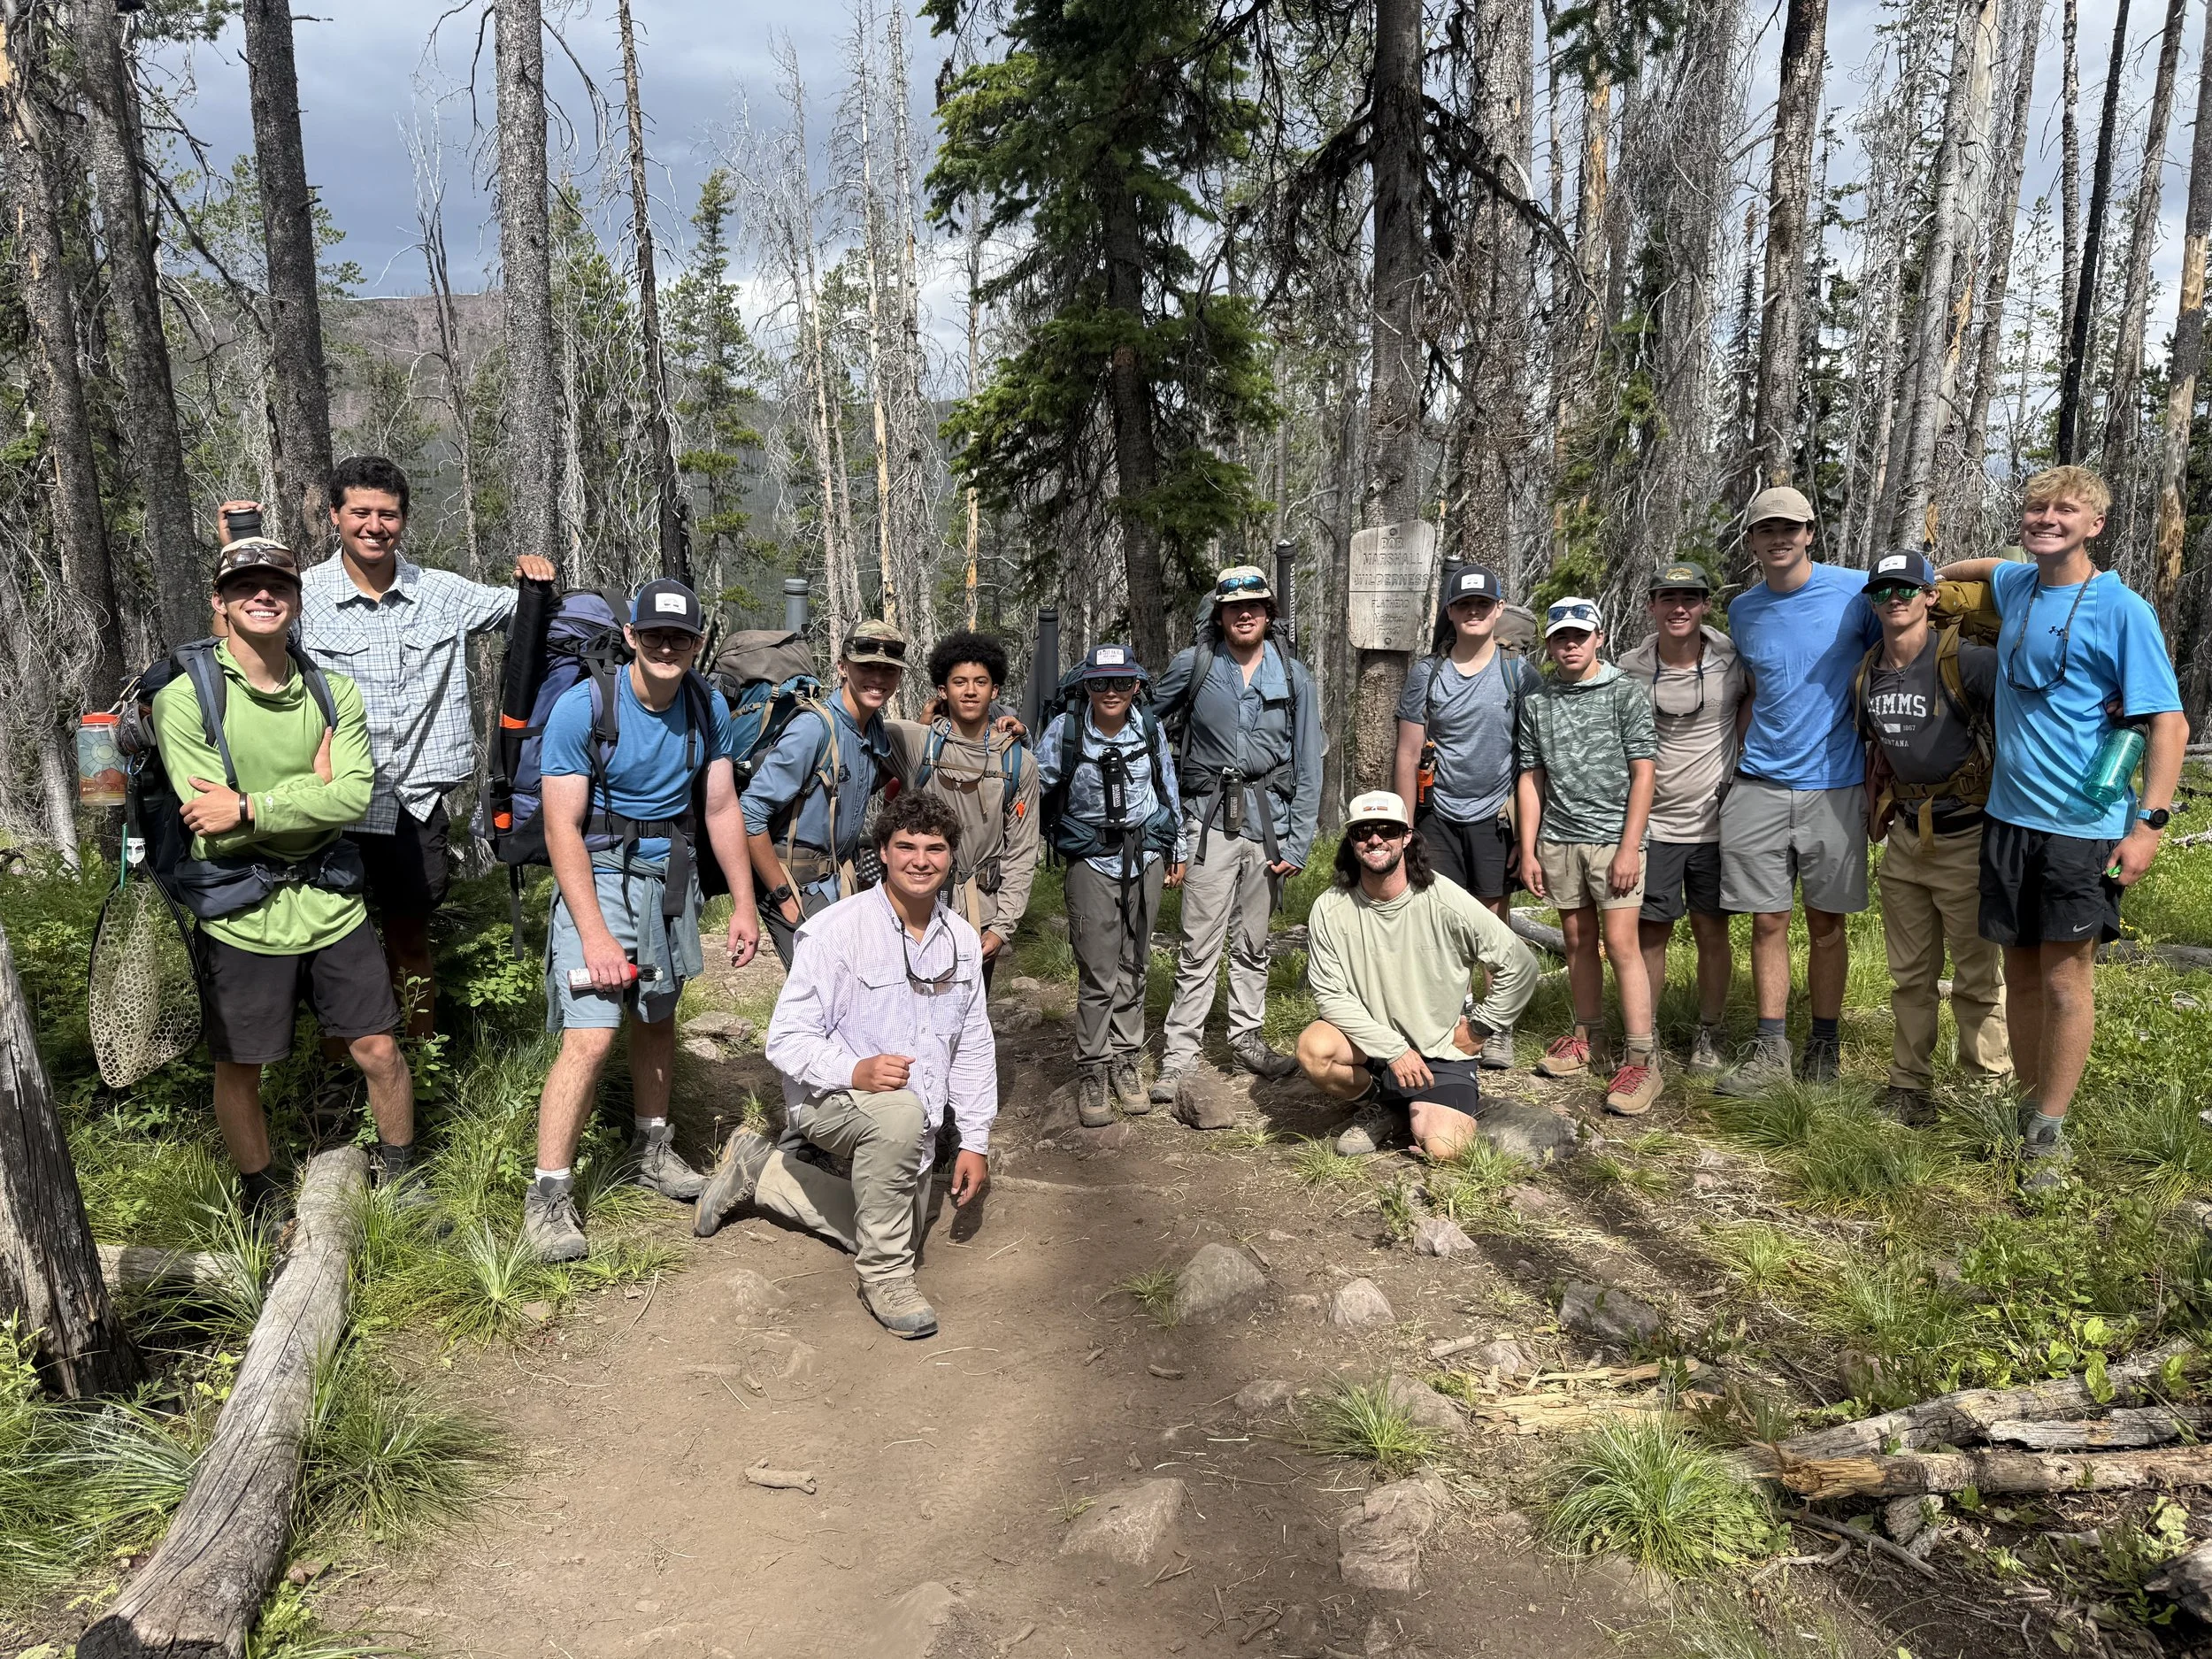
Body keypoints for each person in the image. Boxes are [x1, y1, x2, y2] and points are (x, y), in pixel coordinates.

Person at [224, 458, 558, 1102]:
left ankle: (419, 1070)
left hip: (414, 801)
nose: (375, 526)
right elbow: (235, 639)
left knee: (409, 940)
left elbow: (530, 616)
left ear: (403, 519)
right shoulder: (303, 595)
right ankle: (336, 1084)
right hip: (330, 806)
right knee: (329, 948)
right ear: (335, 518)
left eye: (388, 514)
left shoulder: (442, 592)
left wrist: (537, 580)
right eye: (361, 513)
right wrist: (235, 551)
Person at [152, 536, 417, 1224]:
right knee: (241, 1066)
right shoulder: (185, 701)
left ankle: (404, 1181)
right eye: (246, 587)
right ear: (220, 602)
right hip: (240, 908)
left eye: (278, 585)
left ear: (297, 600)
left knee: (380, 1049)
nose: (263, 595)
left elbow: (353, 798)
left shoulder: (334, 692)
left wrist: (248, 805)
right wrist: (309, 790)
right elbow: (207, 820)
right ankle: (262, 1195)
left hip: (331, 899)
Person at [1941, 466, 2186, 1190]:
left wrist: (2148, 825)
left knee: (2063, 976)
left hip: (2083, 825)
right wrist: (1927, 574)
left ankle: (2048, 1130)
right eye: (2036, 508)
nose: (2047, 518)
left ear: (2095, 524)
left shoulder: (2121, 608)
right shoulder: (2017, 585)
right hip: (2009, 816)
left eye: (2066, 510)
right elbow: (1978, 569)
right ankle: (2023, 1107)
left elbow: (2168, 722)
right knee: (2017, 966)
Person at [694, 792, 995, 1340]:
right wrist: (855, 1069)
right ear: (882, 852)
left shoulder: (963, 943)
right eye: (905, 846)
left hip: (916, 1122)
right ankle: (884, 1277)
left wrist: (974, 1139)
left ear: (953, 856)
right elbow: (785, 1040)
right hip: (826, 1099)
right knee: (899, 1133)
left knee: (901, 1220)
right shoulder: (835, 932)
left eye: (935, 848)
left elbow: (973, 1045)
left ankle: (762, 1170)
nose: (920, 860)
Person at [521, 580, 761, 1263]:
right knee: (591, 1037)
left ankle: (652, 1149)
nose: (666, 646)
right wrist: (593, 931)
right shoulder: (584, 707)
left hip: (668, 878)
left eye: (680, 637)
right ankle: (548, 1195)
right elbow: (563, 829)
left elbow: (719, 808)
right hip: (596, 875)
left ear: (696, 643)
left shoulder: (705, 704)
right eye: (653, 634)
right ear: (631, 635)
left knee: (657, 1016)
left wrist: (742, 904)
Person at [1715, 485, 1881, 1096]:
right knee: (1766, 921)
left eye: (1791, 528)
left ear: (1811, 531)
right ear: (1752, 541)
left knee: (1827, 924)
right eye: (1767, 530)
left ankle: (1826, 1043)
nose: (1779, 538)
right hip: (1759, 780)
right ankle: (1770, 1047)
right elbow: (1753, 690)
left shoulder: (1856, 594)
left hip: (1835, 784)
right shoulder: (1744, 610)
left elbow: (1904, 645)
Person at [1149, 566, 1321, 1101]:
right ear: (1219, 614)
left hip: (1269, 825)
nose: (1244, 614)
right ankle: (1180, 1056)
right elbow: (1139, 720)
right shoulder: (1195, 666)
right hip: (1206, 821)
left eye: (1255, 606)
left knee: (1254, 941)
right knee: (1198, 943)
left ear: (1269, 614)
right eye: (1233, 607)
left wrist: (1298, 841)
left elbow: (1310, 763)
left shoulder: (1294, 676)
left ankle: (1247, 1039)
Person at [1855, 549, 2012, 1124]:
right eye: (1882, 591)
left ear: (1929, 595)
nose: (1893, 599)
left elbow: (2033, 702)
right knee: (1910, 976)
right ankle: (1907, 1087)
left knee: (1976, 977)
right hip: (1903, 841)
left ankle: (1983, 1096)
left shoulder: (1965, 661)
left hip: (1966, 838)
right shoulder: (1870, 668)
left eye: (1905, 589)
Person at [1296, 792, 1540, 1158]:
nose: (1375, 839)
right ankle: (1381, 1102)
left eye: (1387, 831)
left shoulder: (1444, 899)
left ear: (1407, 837)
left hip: (1439, 1048)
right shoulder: (1330, 908)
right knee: (1314, 1049)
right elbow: (1330, 996)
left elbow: (1520, 964)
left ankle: (1414, 1103)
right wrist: (1393, 1050)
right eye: (1363, 831)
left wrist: (1481, 1027)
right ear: (1351, 840)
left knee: (1447, 1150)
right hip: (1369, 1041)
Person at [1391, 564, 1543, 1069]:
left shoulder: (1518, 674)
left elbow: (1531, 761)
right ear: (1451, 613)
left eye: (1483, 605)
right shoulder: (1427, 674)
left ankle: (1496, 1025)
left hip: (1495, 816)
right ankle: (1449, 1018)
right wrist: (1404, 827)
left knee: (1493, 919)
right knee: (1440, 918)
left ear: (1499, 610)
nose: (1474, 613)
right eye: (1464, 605)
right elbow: (1408, 754)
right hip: (1437, 811)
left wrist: (1528, 836)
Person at [1516, 596, 1663, 1116]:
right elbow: (1531, 778)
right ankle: (1589, 1036)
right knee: (1578, 939)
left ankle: (1642, 1057)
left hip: (1613, 840)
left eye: (1580, 635)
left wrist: (1629, 846)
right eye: (1560, 637)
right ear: (1550, 644)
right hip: (1559, 838)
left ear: (1599, 636)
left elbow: (1644, 772)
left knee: (1622, 943)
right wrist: (1529, 848)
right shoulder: (1538, 702)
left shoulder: (1625, 693)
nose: (1571, 645)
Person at [1040, 646, 1188, 1126]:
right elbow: (1032, 784)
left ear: (1137, 687)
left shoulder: (1148, 729)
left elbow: (1167, 786)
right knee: (1098, 971)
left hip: (1143, 857)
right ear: (1085, 685)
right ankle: (1093, 1068)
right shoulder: (1064, 732)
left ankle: (1128, 1061)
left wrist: (1177, 849)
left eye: (1121, 683)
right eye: (1101, 683)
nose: (1111, 692)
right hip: (1090, 861)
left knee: (1136, 963)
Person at [1617, 561, 1746, 1075]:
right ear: (1650, 605)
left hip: (1718, 822)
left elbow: (1756, 702)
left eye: (1689, 598)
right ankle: (1642, 1039)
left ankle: (1708, 1033)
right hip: (1653, 825)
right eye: (1667, 598)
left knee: (1713, 929)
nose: (1678, 608)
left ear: (1705, 606)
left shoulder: (1732, 658)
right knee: (1652, 933)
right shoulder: (1629, 668)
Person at [742, 619, 907, 967]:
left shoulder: (873, 729)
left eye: (887, 670)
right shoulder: (813, 729)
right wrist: (784, 896)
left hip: (836, 882)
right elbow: (749, 815)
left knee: (845, 993)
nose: (877, 678)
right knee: (818, 993)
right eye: (866, 667)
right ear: (843, 667)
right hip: (795, 885)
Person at [886, 631, 1041, 987]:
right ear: (943, 690)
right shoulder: (915, 742)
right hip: (913, 903)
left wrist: (1002, 927)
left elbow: (1021, 850)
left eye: (980, 682)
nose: (970, 691)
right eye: (959, 682)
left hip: (981, 911)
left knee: (968, 1019)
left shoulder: (1020, 762)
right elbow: (856, 724)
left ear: (995, 690)